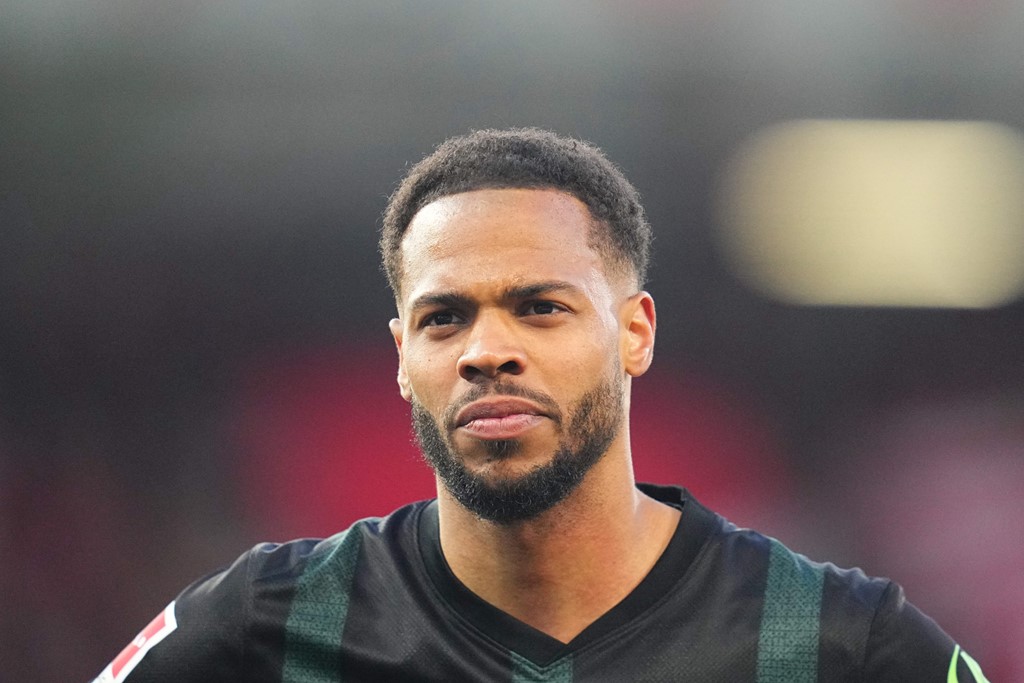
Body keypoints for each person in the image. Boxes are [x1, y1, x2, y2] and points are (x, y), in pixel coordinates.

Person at [93, 128, 987, 682]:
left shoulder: (835, 642)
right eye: (444, 318)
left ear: (634, 333)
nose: (487, 351)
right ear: (403, 357)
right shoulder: (266, 624)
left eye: (540, 307)